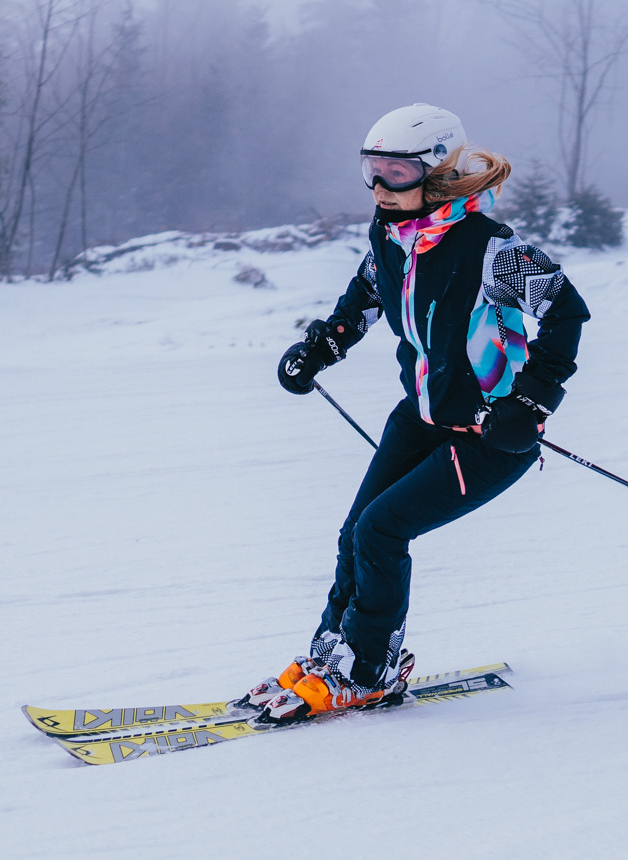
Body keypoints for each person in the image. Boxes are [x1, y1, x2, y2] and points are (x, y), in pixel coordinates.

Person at [239, 104, 591, 723]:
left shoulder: (491, 248)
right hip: (421, 417)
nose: (380, 187)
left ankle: (368, 671)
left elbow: (567, 312)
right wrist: (320, 348)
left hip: (490, 436)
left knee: (382, 531)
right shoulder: (391, 237)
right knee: (355, 532)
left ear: (439, 172)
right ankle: (333, 654)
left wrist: (531, 402)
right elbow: (364, 297)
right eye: (371, 170)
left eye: (396, 172)